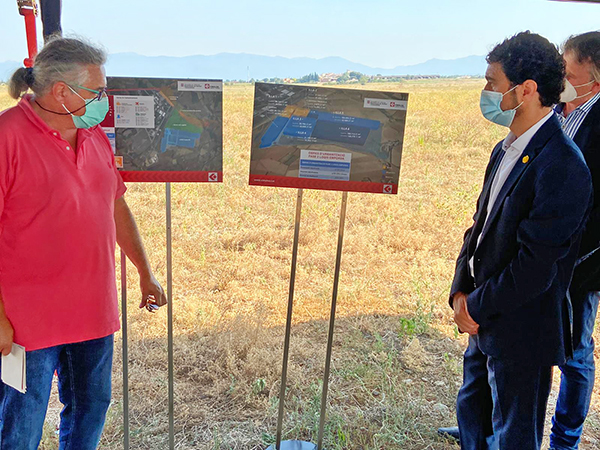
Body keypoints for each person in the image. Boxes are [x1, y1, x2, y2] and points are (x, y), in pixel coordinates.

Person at [0, 37, 167, 449]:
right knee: (21, 424)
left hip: (93, 311)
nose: (103, 100)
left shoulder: (92, 135)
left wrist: (145, 272)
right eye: (96, 91)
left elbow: (115, 206)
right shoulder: (7, 136)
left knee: (90, 412)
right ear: (61, 91)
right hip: (27, 322)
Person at [449, 31, 592, 450]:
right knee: (473, 415)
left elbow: (536, 266)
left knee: (514, 435)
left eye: (493, 82)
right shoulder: (505, 147)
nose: (486, 92)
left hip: (519, 328)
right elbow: (478, 226)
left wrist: (474, 306)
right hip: (481, 317)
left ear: (526, 90)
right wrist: (460, 289)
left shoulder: (564, 165)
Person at [550, 31, 600, 450]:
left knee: (575, 351)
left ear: (595, 81)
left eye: (568, 73)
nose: (560, 79)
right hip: (542, 254)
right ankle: (491, 421)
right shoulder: (561, 108)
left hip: (581, 263)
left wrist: (575, 259)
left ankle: (564, 440)